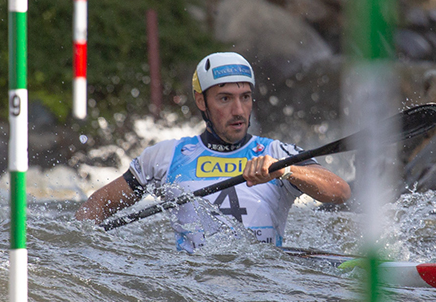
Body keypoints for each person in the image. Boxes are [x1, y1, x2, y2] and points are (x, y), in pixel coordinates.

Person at [76, 51, 351, 251]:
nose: (239, 110)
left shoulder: (277, 153)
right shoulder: (164, 157)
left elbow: (339, 192)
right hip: (193, 292)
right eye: (225, 99)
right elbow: (95, 207)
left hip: (263, 287)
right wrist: (80, 251)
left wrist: (287, 170)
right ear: (201, 101)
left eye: (245, 97)